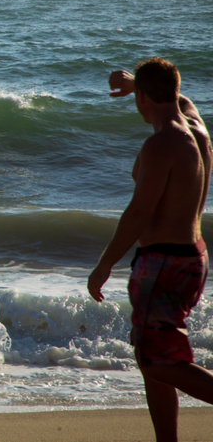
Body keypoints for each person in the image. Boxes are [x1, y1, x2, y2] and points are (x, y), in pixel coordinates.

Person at [88, 58, 212, 442]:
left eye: (136, 94)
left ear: (142, 97)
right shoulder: (195, 127)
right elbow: (178, 97)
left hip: (163, 262)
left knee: (156, 359)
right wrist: (135, 83)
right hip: (193, 257)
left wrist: (104, 264)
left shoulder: (160, 145)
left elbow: (139, 212)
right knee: (155, 359)